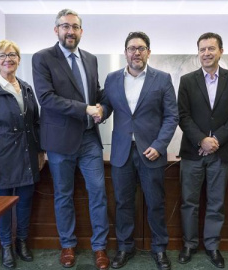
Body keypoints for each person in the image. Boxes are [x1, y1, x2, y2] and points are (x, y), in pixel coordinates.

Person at [31, 9, 109, 270]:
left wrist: (102, 109)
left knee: (98, 193)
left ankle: (100, 248)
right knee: (63, 195)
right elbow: (47, 98)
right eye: (65, 26)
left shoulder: (90, 59)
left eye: (75, 27)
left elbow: (97, 93)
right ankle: (67, 244)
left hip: (89, 139)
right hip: (60, 141)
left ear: (81, 31)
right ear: (56, 30)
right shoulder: (42, 58)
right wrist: (85, 108)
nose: (70, 31)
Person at [100, 32, 178, 270]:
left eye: (141, 48)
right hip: (122, 152)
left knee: (155, 202)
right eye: (132, 48)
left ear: (149, 52)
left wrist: (159, 145)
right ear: (125, 52)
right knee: (123, 202)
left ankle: (160, 249)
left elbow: (171, 116)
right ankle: (125, 247)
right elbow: (106, 106)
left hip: (151, 152)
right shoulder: (112, 79)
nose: (136, 52)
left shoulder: (162, 79)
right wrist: (98, 112)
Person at [177, 32, 228, 269]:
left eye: (211, 48)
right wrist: (202, 140)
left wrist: (215, 139)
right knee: (189, 201)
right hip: (192, 152)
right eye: (202, 49)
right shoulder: (187, 80)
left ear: (221, 51)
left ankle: (213, 246)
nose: (206, 53)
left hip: (222, 152)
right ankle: (189, 244)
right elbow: (183, 116)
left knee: (216, 202)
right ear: (198, 53)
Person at [0, 40, 44, 269]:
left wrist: (40, 151)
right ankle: (6, 246)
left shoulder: (26, 87)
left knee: (25, 202)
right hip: (0, 159)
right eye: (3, 55)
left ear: (18, 59)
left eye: (12, 55)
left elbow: (35, 122)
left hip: (26, 155)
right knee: (3, 206)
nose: (8, 59)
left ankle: (22, 242)